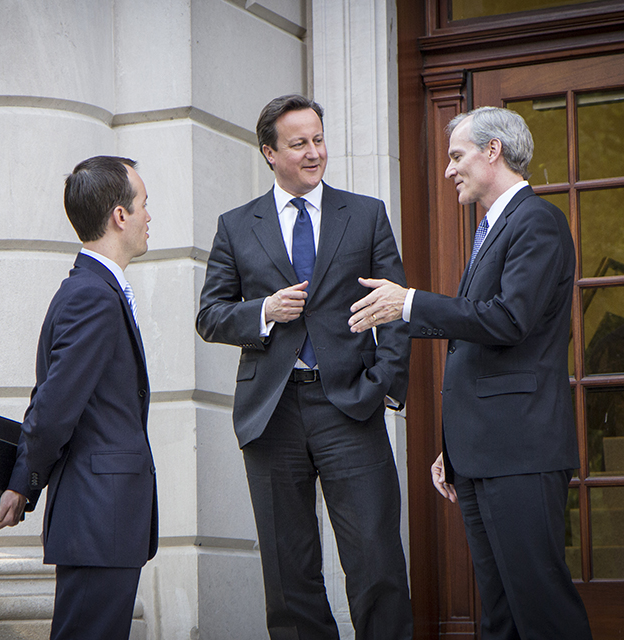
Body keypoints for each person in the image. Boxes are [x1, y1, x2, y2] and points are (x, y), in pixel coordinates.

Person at [348, 106, 593, 639]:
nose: (448, 169)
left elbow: (509, 320)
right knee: (500, 614)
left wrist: (410, 304)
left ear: (493, 151)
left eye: (457, 156)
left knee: (541, 607)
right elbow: (479, 345)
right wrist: (453, 444)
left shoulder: (537, 220)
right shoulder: (493, 227)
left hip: (521, 451)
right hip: (486, 450)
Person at [197, 94, 413, 639]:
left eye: (319, 139)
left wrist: (384, 384)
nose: (314, 152)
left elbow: (395, 307)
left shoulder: (366, 215)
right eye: (299, 144)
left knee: (377, 564)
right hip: (273, 413)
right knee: (289, 578)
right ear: (269, 152)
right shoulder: (235, 225)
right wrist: (264, 312)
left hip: (350, 406)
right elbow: (210, 316)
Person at [0, 156, 158, 640]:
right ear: (119, 216)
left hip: (103, 519)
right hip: (99, 517)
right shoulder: (93, 295)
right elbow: (55, 405)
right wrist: (22, 482)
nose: (149, 215)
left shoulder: (95, 288)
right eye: (144, 204)